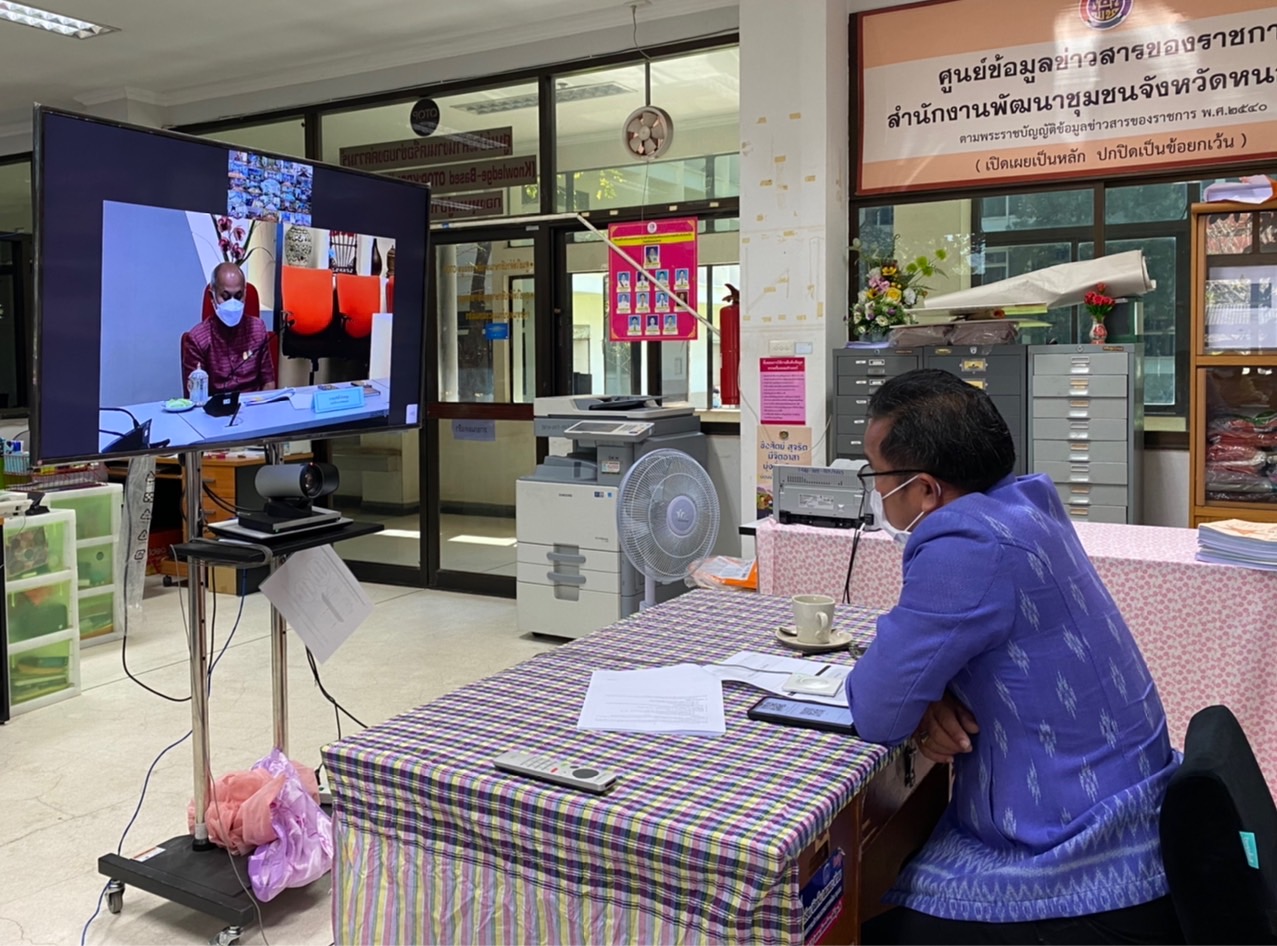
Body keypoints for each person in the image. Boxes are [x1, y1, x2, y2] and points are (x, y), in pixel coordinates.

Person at [848, 369, 1182, 945]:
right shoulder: (1027, 504)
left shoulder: (962, 544)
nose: (876, 491)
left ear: (924, 489)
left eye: (876, 475)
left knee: (864, 922)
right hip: (1140, 815)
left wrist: (918, 696)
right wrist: (935, 695)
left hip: (1086, 860)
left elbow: (876, 710)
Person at [181, 263, 275, 396]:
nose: (232, 303)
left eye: (238, 296)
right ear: (211, 296)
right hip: (215, 411)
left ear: (245, 294)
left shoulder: (258, 330)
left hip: (254, 408)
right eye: (225, 297)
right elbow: (195, 396)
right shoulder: (197, 339)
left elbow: (268, 382)